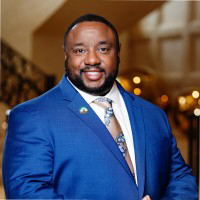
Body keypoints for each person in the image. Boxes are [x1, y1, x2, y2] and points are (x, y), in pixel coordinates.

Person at [3, 14, 198, 200]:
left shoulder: (153, 114)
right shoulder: (31, 116)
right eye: (80, 50)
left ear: (118, 52)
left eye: (103, 49)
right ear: (66, 54)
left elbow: (180, 177)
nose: (92, 60)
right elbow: (28, 193)